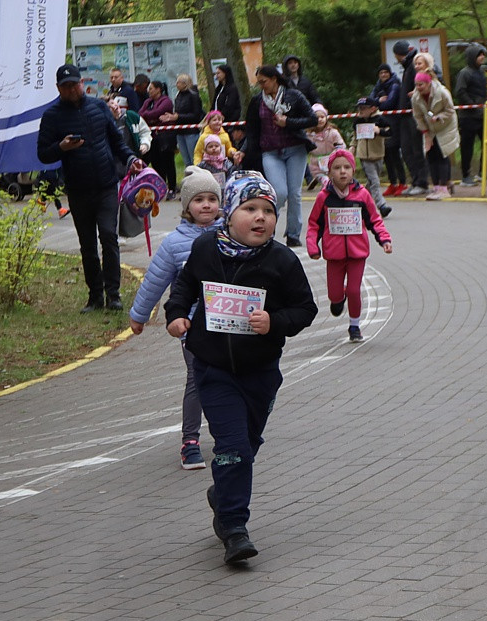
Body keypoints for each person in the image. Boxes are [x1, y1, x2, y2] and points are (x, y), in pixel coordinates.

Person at [164, 171, 318, 564]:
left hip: (261, 373)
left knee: (245, 448)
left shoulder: (281, 260)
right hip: (213, 368)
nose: (261, 217)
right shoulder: (205, 249)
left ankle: (222, 493)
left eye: (268, 210)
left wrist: (275, 322)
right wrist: (177, 314)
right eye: (250, 208)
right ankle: (233, 527)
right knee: (231, 447)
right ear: (230, 214)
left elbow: (305, 308)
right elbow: (185, 285)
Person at [130, 167, 223, 470]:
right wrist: (139, 315)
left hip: (228, 323)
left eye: (212, 198)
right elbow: (155, 280)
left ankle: (227, 433)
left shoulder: (230, 235)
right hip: (191, 325)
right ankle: (190, 441)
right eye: (199, 200)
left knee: (226, 380)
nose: (206, 205)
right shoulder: (173, 244)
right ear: (186, 207)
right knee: (197, 378)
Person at [37, 63, 143, 312]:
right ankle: (95, 296)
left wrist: (131, 159)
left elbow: (117, 141)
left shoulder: (98, 107)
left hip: (106, 184)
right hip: (77, 188)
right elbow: (42, 154)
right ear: (58, 89)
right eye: (66, 86)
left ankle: (113, 295)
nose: (72, 89)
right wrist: (61, 147)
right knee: (87, 244)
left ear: (82, 83)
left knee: (109, 236)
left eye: (75, 84)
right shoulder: (52, 116)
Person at [306, 148, 392, 343]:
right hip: (334, 255)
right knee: (334, 294)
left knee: (353, 290)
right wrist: (313, 247)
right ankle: (338, 300)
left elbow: (374, 220)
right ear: (329, 173)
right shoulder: (324, 197)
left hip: (357, 254)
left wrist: (384, 240)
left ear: (353, 171)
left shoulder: (362, 196)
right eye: (337, 168)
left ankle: (355, 326)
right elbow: (314, 225)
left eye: (347, 167)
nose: (342, 171)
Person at [239, 64, 318, 248]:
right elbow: (252, 131)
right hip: (270, 152)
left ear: (274, 79)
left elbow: (312, 119)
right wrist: (243, 150)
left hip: (295, 150)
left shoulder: (294, 95)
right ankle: (269, 229)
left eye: (263, 82)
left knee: (295, 194)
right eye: (258, 83)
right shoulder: (258, 101)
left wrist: (288, 122)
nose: (261, 86)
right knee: (279, 192)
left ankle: (293, 235)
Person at [411, 71, 460, 201]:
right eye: (416, 85)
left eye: (421, 84)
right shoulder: (415, 98)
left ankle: (444, 187)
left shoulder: (442, 93)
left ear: (428, 83)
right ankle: (437, 186)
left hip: (445, 125)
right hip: (430, 128)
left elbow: (450, 110)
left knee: (442, 153)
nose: (418, 88)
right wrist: (426, 133)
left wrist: (439, 117)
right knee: (430, 154)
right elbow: (418, 117)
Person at [393, 41, 430, 196]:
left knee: (415, 149)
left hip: (413, 115)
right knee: (407, 149)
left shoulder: (413, 67)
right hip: (405, 115)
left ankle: (422, 182)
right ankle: (415, 180)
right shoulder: (408, 67)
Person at [454, 44, 487, 186]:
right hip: (468, 116)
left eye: (483, 54)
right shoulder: (465, 73)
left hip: (482, 115)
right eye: (479, 55)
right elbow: (460, 91)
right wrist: (472, 105)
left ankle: (483, 171)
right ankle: (466, 175)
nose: (482, 57)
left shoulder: (481, 72)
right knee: (467, 146)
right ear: (472, 57)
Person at [351, 96, 393, 216]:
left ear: (373, 109)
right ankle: (382, 205)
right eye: (359, 108)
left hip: (378, 155)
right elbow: (355, 136)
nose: (361, 111)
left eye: (364, 108)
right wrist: (353, 147)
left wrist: (379, 131)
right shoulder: (358, 121)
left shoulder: (380, 120)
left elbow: (390, 132)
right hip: (364, 156)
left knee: (372, 182)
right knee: (375, 181)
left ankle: (359, 199)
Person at [369, 63, 406, 196]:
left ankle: (402, 182)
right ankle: (392, 183)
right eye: (381, 73)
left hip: (394, 122)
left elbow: (390, 103)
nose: (383, 75)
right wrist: (379, 99)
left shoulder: (395, 85)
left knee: (395, 153)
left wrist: (378, 103)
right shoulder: (378, 86)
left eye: (386, 72)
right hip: (382, 122)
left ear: (390, 73)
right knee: (387, 155)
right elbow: (370, 101)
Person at [139, 80, 178, 199]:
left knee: (168, 162)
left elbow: (157, 113)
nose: (149, 91)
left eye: (151, 88)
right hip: (153, 137)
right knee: (156, 162)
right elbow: (141, 113)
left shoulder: (166, 101)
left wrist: (149, 115)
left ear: (158, 89)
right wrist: (149, 115)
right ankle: (161, 186)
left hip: (165, 136)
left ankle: (172, 188)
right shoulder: (148, 101)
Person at [165, 74, 205, 177]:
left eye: (179, 82)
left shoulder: (193, 95)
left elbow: (196, 115)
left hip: (191, 131)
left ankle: (198, 177)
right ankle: (189, 178)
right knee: (186, 159)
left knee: (193, 158)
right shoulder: (178, 95)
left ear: (185, 83)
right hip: (180, 131)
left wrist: (178, 117)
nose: (176, 84)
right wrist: (172, 118)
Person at [305, 103, 346, 189]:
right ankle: (324, 187)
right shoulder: (308, 135)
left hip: (332, 161)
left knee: (333, 181)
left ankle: (328, 191)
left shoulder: (332, 132)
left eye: (322, 117)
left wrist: (337, 153)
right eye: (317, 117)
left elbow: (340, 144)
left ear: (326, 118)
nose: (320, 120)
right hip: (316, 164)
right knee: (325, 181)